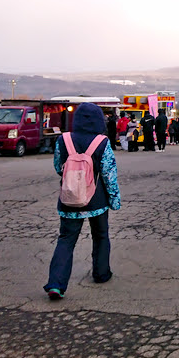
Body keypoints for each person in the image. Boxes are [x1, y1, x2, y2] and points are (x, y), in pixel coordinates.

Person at [44, 103, 121, 300]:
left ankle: (56, 283)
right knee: (101, 235)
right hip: (97, 201)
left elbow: (58, 167)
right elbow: (109, 174)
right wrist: (114, 200)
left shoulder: (64, 139)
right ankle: (101, 273)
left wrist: (74, 180)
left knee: (66, 239)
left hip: (69, 199)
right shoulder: (102, 142)